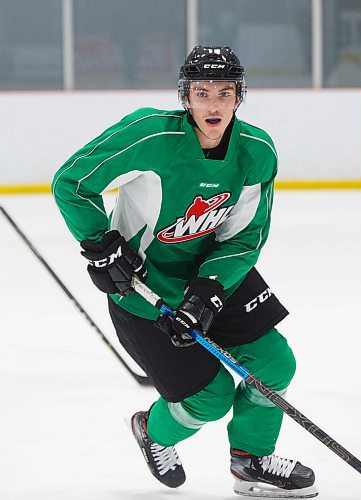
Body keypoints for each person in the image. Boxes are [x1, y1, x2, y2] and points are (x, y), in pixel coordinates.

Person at [52, 46, 318, 498]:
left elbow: (244, 238)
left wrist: (210, 291)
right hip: (144, 286)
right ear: (186, 97)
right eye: (201, 92)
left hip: (212, 276)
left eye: (224, 93)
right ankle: (153, 432)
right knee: (208, 398)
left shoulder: (256, 153)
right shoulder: (149, 136)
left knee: (275, 362)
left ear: (239, 97)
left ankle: (251, 460)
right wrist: (101, 245)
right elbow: (72, 182)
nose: (213, 105)